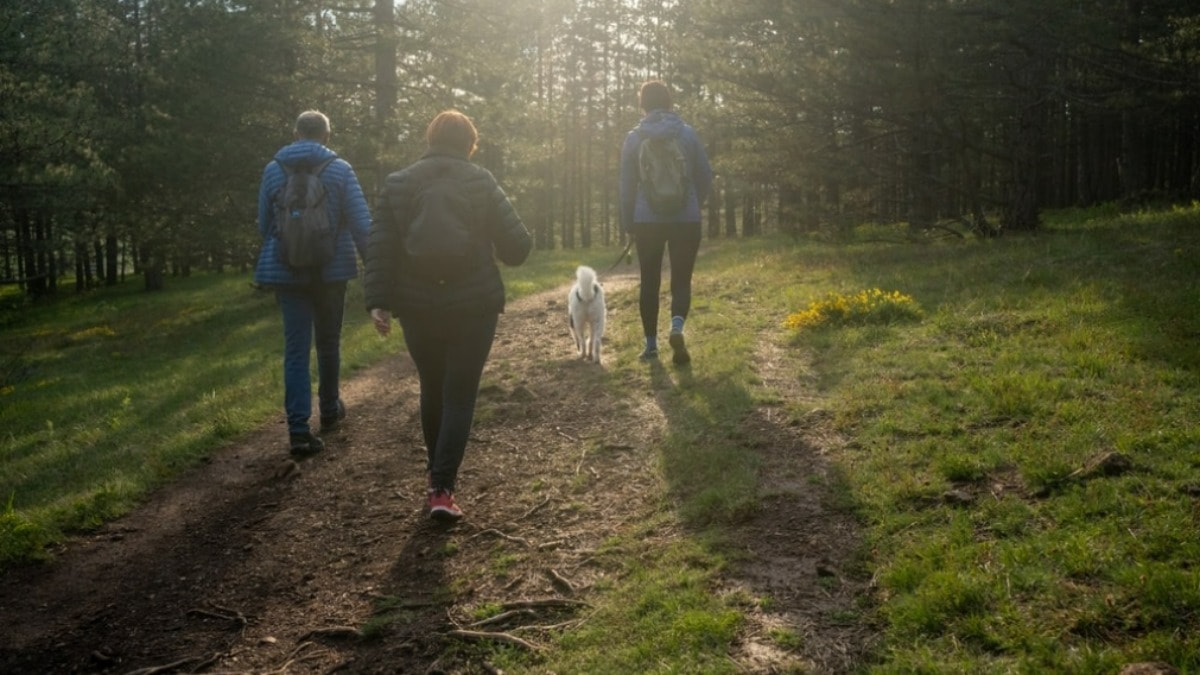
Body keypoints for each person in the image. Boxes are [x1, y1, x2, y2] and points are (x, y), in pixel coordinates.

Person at [365, 110, 532, 522]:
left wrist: (378, 302)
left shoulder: (398, 184)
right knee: (460, 394)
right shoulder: (481, 181)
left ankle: (435, 479)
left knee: (432, 387)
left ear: (430, 139)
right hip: (473, 306)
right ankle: (442, 489)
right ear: (470, 142)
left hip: (417, 307)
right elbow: (517, 249)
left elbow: (381, 249)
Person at [254, 110, 371, 457]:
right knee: (329, 343)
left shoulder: (273, 169)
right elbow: (362, 225)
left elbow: (264, 224)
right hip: (331, 271)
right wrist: (378, 269)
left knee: (295, 350)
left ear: (295, 133)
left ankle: (299, 431)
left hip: (288, 272)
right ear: (327, 136)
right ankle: (331, 411)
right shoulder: (340, 169)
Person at [619, 80, 713, 365]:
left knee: (649, 281)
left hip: (647, 220)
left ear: (642, 104)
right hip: (686, 219)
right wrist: (695, 202)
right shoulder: (687, 134)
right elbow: (705, 175)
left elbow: (626, 186)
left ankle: (650, 346)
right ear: (669, 102)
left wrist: (629, 222)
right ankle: (676, 327)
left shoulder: (634, 138)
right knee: (681, 279)